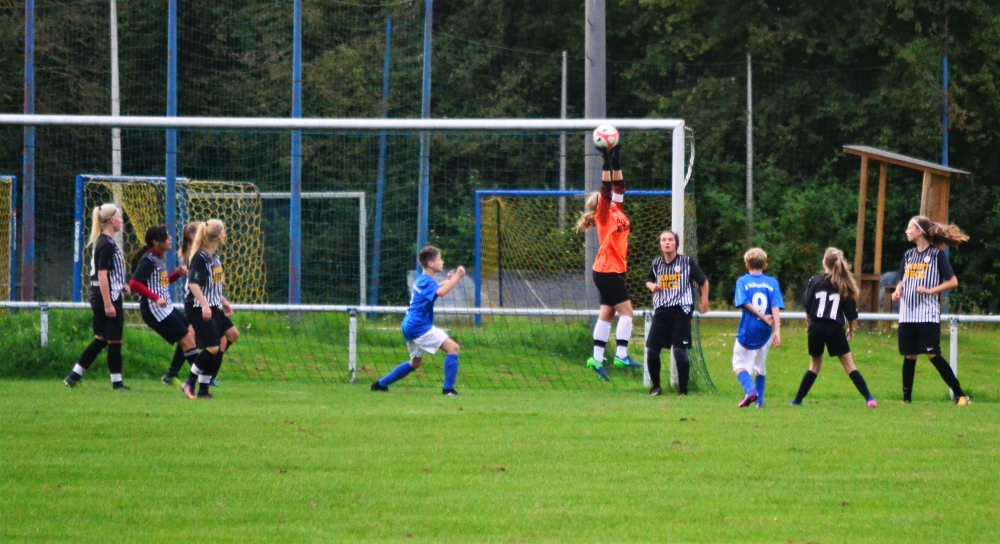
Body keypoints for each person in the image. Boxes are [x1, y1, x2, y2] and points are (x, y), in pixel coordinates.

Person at [574, 142, 640, 381]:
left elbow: (619, 186)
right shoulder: (603, 214)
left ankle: (596, 358)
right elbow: (606, 188)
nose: (613, 195)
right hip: (607, 270)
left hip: (614, 270)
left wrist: (617, 161)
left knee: (607, 314)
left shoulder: (617, 209)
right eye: (608, 196)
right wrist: (605, 163)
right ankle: (621, 355)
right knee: (627, 313)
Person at [891, 215, 971, 405]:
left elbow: (953, 281)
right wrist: (898, 290)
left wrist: (930, 290)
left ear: (919, 232)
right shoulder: (909, 255)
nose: (906, 231)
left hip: (927, 314)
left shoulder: (936, 255)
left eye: (909, 228)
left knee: (933, 354)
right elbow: (903, 279)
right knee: (909, 355)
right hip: (907, 314)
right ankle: (906, 400)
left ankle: (960, 395)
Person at [371, 246, 464, 395]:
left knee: (415, 363)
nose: (442, 262)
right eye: (439, 259)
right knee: (453, 348)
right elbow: (440, 292)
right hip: (419, 325)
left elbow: (436, 288)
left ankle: (380, 385)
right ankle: (448, 390)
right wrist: (457, 276)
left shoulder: (422, 279)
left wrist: (450, 280)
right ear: (431, 264)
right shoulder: (426, 281)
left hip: (409, 324)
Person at [791, 248, 877, 407]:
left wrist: (809, 324)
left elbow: (808, 307)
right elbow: (850, 313)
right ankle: (869, 398)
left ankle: (797, 400)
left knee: (814, 366)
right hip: (834, 328)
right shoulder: (843, 283)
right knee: (849, 366)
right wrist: (850, 329)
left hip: (816, 326)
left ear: (824, 262)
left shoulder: (815, 281)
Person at [64, 204, 131, 389]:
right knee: (115, 340)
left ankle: (74, 376)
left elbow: (110, 272)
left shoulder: (105, 242)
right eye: (119, 217)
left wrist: (121, 284)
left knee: (101, 339)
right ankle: (117, 383)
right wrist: (109, 304)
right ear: (112, 220)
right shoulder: (106, 243)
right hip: (106, 297)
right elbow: (102, 274)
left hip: (104, 294)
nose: (122, 221)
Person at [128, 225, 198, 387]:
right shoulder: (148, 260)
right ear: (156, 242)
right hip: (154, 309)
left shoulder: (158, 258)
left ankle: (171, 375)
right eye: (166, 236)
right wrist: (156, 298)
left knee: (192, 333)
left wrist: (177, 275)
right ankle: (203, 379)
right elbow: (134, 283)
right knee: (188, 340)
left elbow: (160, 283)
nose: (170, 238)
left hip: (165, 307)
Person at [644, 230, 709, 396]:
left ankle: (683, 390)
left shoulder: (686, 262)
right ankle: (656, 387)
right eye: (663, 240)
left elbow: (703, 282)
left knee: (679, 351)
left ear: (676, 244)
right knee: (652, 350)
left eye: (670, 240)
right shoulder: (656, 264)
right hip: (661, 310)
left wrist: (704, 302)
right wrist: (651, 286)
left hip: (681, 311)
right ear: (660, 244)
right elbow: (649, 280)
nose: (667, 242)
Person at [181, 219, 239, 399]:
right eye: (224, 232)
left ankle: (204, 389)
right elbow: (194, 284)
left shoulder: (214, 256)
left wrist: (223, 301)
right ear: (219, 236)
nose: (225, 235)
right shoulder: (201, 257)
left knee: (225, 340)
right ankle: (190, 382)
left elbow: (211, 285)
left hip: (212, 305)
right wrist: (205, 305)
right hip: (198, 307)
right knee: (213, 347)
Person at [731, 248, 783, 408]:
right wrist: (777, 331)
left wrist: (761, 316)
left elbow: (744, 302)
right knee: (760, 366)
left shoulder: (742, 281)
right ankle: (759, 402)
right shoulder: (772, 283)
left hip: (749, 329)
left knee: (738, 363)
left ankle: (750, 391)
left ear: (747, 265)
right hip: (765, 331)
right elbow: (775, 307)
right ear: (765, 265)